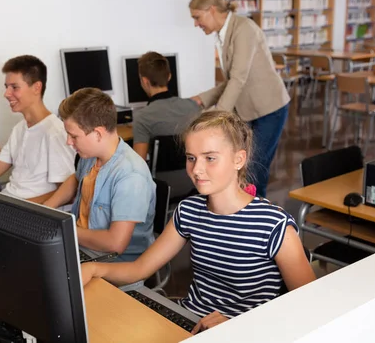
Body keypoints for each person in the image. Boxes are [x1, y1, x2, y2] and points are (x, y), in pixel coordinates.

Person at [80, 111, 316, 333]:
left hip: (246, 332)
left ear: (238, 159)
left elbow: (309, 306)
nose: (197, 169)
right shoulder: (188, 211)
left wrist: (239, 324)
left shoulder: (274, 225)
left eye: (210, 158)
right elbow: (139, 269)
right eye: (191, 158)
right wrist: (92, 268)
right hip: (190, 321)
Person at [188, 0, 290, 199]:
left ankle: (258, 223)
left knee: (254, 171)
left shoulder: (244, 29)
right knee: (241, 170)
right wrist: (201, 99)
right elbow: (231, 80)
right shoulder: (224, 34)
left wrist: (215, 117)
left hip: (269, 109)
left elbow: (238, 78)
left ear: (212, 10)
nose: (196, 24)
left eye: (197, 17)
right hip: (248, 110)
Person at [44, 88, 155, 262]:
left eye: (73, 136)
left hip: (110, 260)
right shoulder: (90, 155)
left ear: (97, 134)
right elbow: (76, 179)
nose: (68, 142)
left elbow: (115, 244)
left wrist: (64, 229)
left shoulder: (131, 176)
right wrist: (47, 207)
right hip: (81, 244)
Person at [0, 55, 75, 203]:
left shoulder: (55, 132)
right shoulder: (19, 128)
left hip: (27, 211)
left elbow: (68, 194)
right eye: (6, 87)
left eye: (14, 87)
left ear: (37, 87)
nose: (6, 94)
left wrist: (21, 207)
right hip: (9, 201)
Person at [132, 51, 201, 161]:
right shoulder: (193, 107)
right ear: (169, 77)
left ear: (145, 81)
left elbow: (138, 164)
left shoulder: (142, 118)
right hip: (193, 175)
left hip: (160, 177)